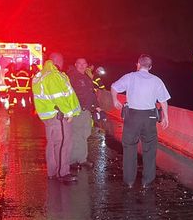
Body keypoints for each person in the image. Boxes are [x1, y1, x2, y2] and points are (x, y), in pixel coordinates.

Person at [110, 54, 170, 189]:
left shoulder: (130, 77)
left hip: (132, 117)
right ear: (150, 67)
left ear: (138, 64)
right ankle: (147, 182)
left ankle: (129, 182)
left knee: (129, 147)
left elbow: (114, 87)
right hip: (149, 118)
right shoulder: (156, 80)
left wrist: (115, 100)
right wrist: (166, 117)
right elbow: (163, 101)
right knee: (149, 149)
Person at [32, 53, 81, 183]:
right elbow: (59, 96)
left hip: (48, 116)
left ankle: (52, 171)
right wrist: (68, 113)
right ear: (58, 61)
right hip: (59, 116)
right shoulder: (53, 75)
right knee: (63, 143)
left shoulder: (40, 75)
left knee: (52, 144)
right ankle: (63, 172)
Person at [67, 57, 99, 169]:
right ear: (75, 64)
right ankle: (73, 160)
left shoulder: (86, 77)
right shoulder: (72, 77)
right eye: (79, 63)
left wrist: (97, 107)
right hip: (78, 111)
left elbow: (91, 93)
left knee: (85, 135)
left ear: (86, 65)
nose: (82, 65)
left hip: (87, 111)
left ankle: (81, 158)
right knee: (76, 135)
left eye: (84, 63)